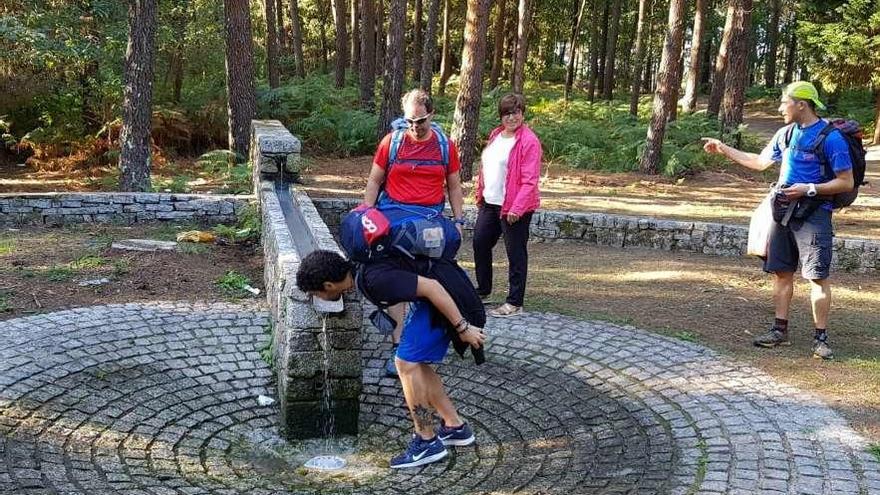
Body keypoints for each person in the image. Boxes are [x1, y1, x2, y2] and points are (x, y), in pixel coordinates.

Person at [702, 81, 854, 360]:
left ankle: (821, 339)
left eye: (785, 102)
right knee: (782, 272)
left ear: (801, 104)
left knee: (817, 277)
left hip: (814, 215)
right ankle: (779, 330)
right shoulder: (785, 134)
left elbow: (846, 181)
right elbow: (759, 162)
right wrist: (723, 148)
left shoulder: (832, 139)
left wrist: (810, 188)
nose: (781, 107)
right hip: (783, 212)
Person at [296, 249, 486, 468]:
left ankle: (426, 440)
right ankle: (455, 427)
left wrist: (463, 327)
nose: (318, 298)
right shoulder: (360, 265)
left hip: (450, 301)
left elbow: (432, 287)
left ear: (328, 285)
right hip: (436, 299)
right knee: (414, 362)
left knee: (404, 363)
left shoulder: (374, 279)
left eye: (316, 293)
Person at [364, 89, 466, 376]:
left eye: (420, 121)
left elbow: (454, 187)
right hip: (393, 222)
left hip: (430, 222)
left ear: (431, 115)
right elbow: (374, 181)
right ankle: (398, 347)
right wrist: (366, 213)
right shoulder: (391, 142)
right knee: (397, 283)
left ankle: (420, 343)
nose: (414, 127)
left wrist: (459, 221)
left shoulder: (446, 146)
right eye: (409, 121)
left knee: (429, 282)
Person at [472, 93, 542, 317]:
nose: (512, 117)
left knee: (515, 253)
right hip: (490, 203)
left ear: (522, 113)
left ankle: (514, 302)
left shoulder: (529, 141)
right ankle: (484, 290)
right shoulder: (495, 135)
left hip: (514, 207)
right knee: (480, 242)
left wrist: (517, 208)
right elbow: (486, 167)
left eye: (516, 112)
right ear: (501, 116)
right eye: (507, 113)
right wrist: (480, 193)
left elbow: (529, 180)